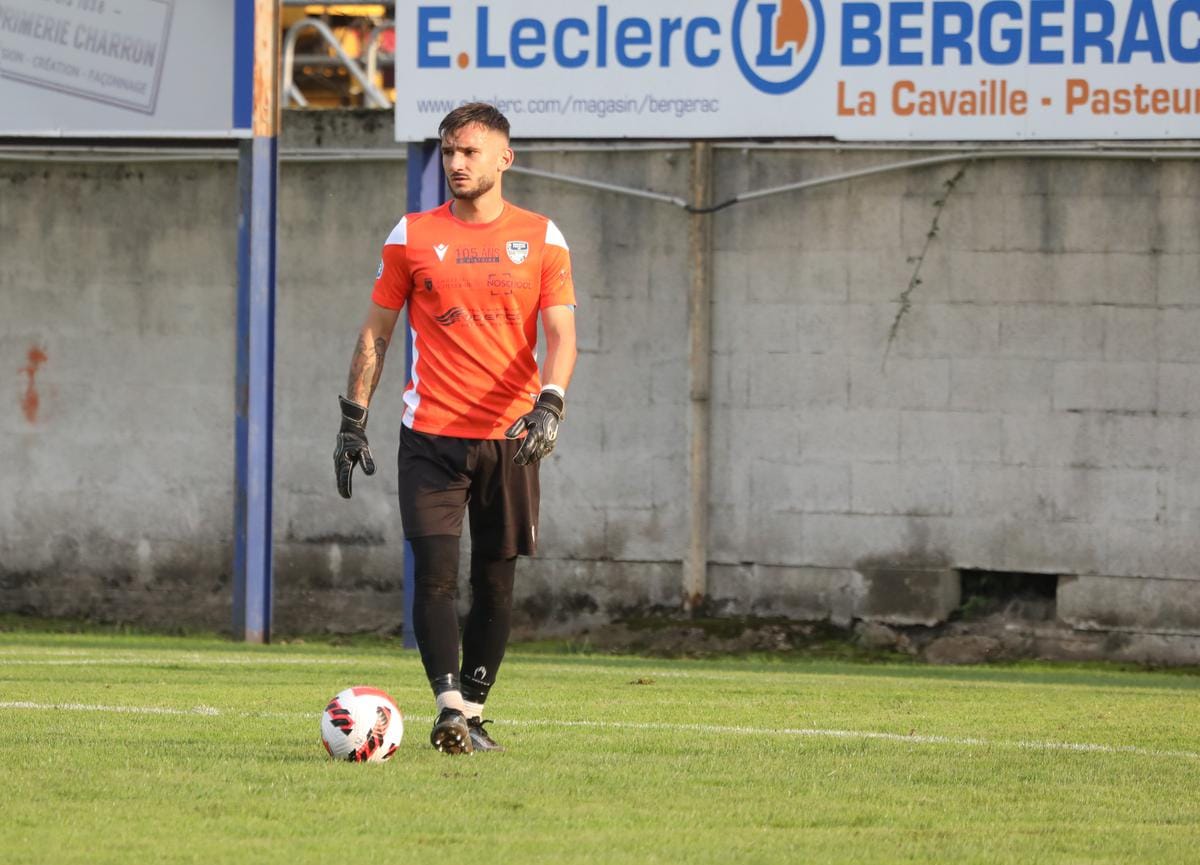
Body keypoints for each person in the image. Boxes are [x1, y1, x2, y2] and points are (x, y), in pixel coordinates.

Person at [333, 103, 578, 755]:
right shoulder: (411, 235)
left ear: (505, 158)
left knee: (495, 583)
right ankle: (447, 707)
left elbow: (562, 334)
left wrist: (551, 404)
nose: (456, 163)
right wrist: (353, 418)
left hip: (512, 436)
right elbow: (376, 332)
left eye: (470, 151)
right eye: (448, 151)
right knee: (434, 576)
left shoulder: (542, 237)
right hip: (430, 437)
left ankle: (472, 710)